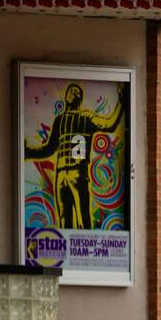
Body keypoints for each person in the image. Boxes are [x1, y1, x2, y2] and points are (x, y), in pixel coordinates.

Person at [25, 82, 126, 231]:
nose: (74, 93)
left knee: (83, 220)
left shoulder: (86, 117)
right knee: (65, 220)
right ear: (66, 96)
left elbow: (109, 124)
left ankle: (85, 251)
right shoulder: (60, 120)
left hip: (78, 172)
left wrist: (121, 104)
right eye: (72, 91)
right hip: (61, 175)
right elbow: (49, 149)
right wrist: (29, 152)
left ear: (79, 99)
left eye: (77, 92)